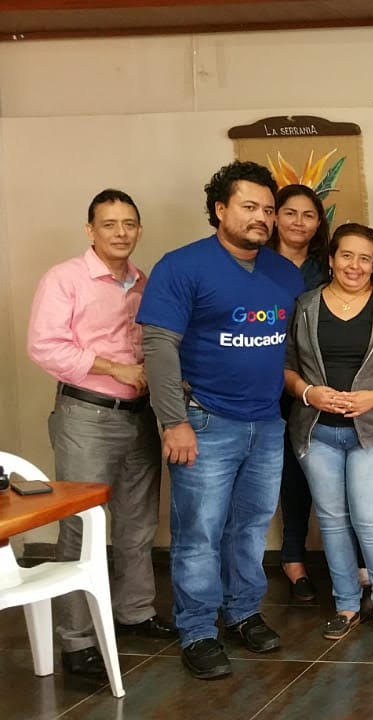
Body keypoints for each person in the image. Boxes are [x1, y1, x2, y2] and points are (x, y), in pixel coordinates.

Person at [137, 161, 304, 679]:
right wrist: (173, 421)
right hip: (204, 422)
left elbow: (287, 347)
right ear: (220, 209)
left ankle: (243, 612)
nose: (261, 218)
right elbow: (159, 348)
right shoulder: (182, 266)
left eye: (268, 210)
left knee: (250, 529)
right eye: (249, 207)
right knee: (199, 534)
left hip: (266, 424)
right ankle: (197, 630)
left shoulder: (284, 273)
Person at [26, 189, 176, 679]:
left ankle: (135, 612)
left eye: (129, 223)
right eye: (109, 224)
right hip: (86, 417)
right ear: (90, 230)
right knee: (80, 526)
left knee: (138, 523)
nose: (121, 232)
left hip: (138, 415)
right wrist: (114, 368)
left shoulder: (144, 281)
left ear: (139, 229)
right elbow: (45, 346)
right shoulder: (65, 278)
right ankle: (76, 640)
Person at [284, 223, 373, 644]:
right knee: (333, 522)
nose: (355, 265)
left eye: (365, 258)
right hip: (316, 431)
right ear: (332, 259)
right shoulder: (305, 305)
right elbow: (286, 366)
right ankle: (347, 605)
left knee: (371, 520)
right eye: (347, 255)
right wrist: (309, 393)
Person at [268, 183, 332, 602]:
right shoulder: (257, 264)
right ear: (275, 217)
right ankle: (292, 559)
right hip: (263, 382)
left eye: (309, 215)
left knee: (310, 472)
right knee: (280, 475)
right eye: (290, 213)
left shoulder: (325, 269)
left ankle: (336, 563)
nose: (299, 222)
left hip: (313, 385)